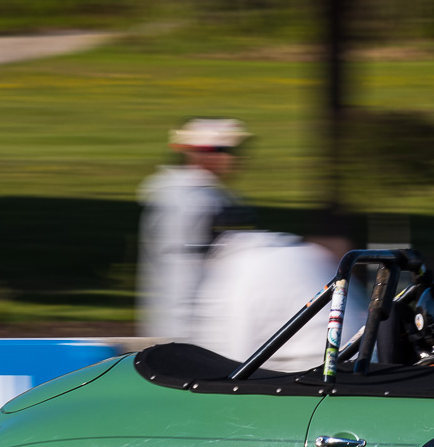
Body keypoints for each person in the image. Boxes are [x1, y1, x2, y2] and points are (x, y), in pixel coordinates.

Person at [191, 212, 363, 372]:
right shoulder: (300, 252)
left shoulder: (238, 269)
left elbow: (225, 359)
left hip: (317, 377)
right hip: (357, 367)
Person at [137, 117, 252, 340]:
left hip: (197, 327)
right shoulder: (189, 201)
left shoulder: (204, 195)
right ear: (200, 153)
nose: (233, 157)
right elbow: (181, 270)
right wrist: (189, 335)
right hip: (187, 331)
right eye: (224, 150)